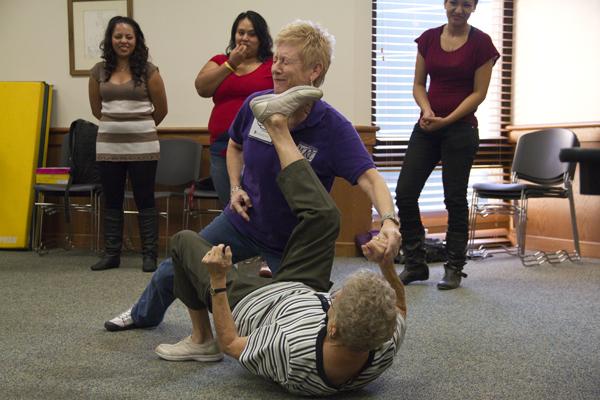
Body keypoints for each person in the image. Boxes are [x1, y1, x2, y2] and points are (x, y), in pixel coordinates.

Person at [104, 20, 400, 332]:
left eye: (286, 62)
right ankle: (142, 314)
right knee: (177, 264)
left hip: (291, 242)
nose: (275, 68)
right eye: (276, 60)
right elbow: (233, 146)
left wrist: (389, 221)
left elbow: (370, 178)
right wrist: (234, 188)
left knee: (296, 321)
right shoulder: (256, 104)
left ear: (314, 70)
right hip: (243, 220)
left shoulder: (333, 128)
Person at [154, 92, 407, 396]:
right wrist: (387, 265)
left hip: (256, 306)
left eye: (336, 299)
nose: (334, 292)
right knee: (326, 216)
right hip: (301, 289)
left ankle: (200, 340)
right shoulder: (382, 342)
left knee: (183, 241)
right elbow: (400, 305)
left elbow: (233, 344)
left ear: (333, 328)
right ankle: (278, 126)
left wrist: (218, 280)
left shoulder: (290, 349)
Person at [395, 0, 499, 290]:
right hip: (427, 127)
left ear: (474, 7)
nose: (459, 10)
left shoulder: (482, 44)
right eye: (454, 2)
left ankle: (454, 267)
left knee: (453, 198)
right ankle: (415, 264)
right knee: (405, 192)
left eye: (466, 4)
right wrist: (427, 111)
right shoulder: (428, 38)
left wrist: (448, 119)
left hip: (461, 130)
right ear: (445, 3)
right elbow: (418, 84)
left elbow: (479, 93)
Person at [88, 16, 168, 273]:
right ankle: (112, 254)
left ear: (137, 40)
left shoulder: (148, 70)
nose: (123, 41)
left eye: (129, 37)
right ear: (110, 40)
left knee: (145, 199)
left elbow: (162, 110)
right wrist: (117, 126)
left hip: (143, 148)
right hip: (108, 147)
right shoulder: (98, 71)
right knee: (112, 199)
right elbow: (96, 109)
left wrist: (137, 127)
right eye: (118, 36)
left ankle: (149, 255)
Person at [194, 10, 273, 207]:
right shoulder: (221, 61)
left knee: (259, 205)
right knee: (229, 205)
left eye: (252, 34)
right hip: (222, 145)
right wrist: (231, 64)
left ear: (261, 38)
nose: (245, 38)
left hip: (260, 143)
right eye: (240, 32)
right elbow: (202, 88)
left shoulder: (271, 64)